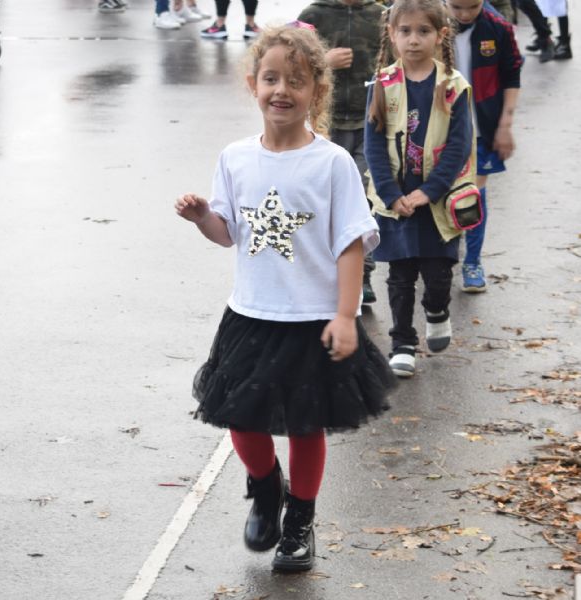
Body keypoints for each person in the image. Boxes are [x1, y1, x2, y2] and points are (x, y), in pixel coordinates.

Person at [175, 24, 395, 571]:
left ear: (316, 90)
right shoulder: (235, 157)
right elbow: (228, 233)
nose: (282, 90)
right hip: (251, 313)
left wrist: (345, 315)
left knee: (305, 424)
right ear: (253, 84)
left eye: (296, 81)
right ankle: (265, 485)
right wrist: (203, 217)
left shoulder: (332, 163)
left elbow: (351, 244)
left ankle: (299, 521)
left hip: (313, 318)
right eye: (271, 78)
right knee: (239, 417)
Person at [364, 0, 476, 377]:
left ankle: (437, 310)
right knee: (399, 277)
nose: (414, 39)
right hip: (397, 202)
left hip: (437, 201)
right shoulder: (382, 85)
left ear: (440, 35)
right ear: (392, 35)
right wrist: (391, 194)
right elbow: (373, 144)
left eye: (423, 31)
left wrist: (430, 190)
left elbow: (459, 145)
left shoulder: (453, 87)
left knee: (438, 273)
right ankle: (402, 343)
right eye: (405, 31)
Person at [297, 0, 385, 305]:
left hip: (370, 123)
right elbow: (290, 63)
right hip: (326, 124)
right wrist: (324, 61)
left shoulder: (379, 16)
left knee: (361, 197)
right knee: (324, 199)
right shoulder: (314, 15)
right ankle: (323, 272)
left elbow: (396, 62)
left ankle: (362, 275)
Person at [446, 0, 522, 291]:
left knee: (473, 194)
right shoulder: (429, 24)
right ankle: (441, 259)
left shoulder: (498, 27)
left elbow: (511, 76)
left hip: (481, 126)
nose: (464, 15)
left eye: (473, 7)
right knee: (439, 193)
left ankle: (472, 261)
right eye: (457, 7)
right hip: (440, 127)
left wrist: (505, 125)